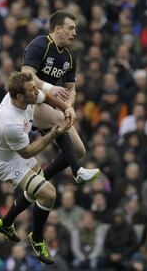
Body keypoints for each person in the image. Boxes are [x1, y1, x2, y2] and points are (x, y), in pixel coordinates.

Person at [0, 72, 72, 264]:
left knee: (37, 188)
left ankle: (6, 223)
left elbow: (45, 95)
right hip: (6, 164)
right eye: (32, 89)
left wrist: (67, 107)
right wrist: (52, 135)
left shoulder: (28, 96)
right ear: (19, 97)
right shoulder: (10, 122)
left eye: (35, 87)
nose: (36, 91)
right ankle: (36, 239)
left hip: (15, 154)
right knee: (48, 193)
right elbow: (26, 152)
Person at [21, 10, 100, 183]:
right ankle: (77, 171)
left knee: (79, 150)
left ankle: (41, 179)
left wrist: (69, 106)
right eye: (70, 28)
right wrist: (49, 88)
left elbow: (71, 89)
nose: (75, 33)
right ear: (57, 29)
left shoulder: (70, 58)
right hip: (27, 103)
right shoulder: (40, 44)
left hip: (48, 104)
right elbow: (26, 74)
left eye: (75, 29)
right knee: (59, 119)